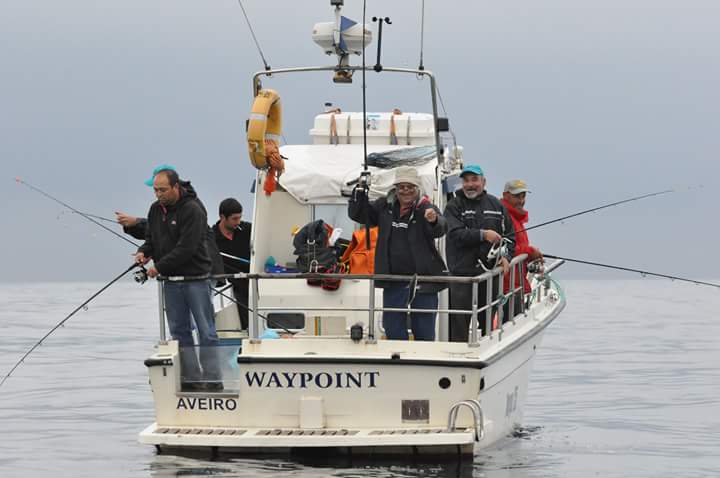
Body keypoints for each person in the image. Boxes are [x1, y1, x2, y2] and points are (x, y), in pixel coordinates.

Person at [134, 167, 223, 392]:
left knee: (206, 331)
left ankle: (213, 380)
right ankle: (192, 379)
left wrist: (157, 268)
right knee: (179, 332)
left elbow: (187, 247)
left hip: (196, 279)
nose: (158, 194)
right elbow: (151, 239)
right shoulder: (155, 209)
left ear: (176, 187)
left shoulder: (192, 209)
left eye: (163, 190)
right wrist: (143, 252)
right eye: (155, 190)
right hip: (171, 282)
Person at [348, 166, 448, 341]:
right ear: (395, 189)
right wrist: (360, 191)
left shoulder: (426, 207)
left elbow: (441, 228)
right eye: (401, 187)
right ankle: (398, 359)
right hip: (393, 280)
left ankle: (422, 362)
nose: (406, 191)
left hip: (423, 282)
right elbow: (359, 214)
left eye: (410, 187)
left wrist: (433, 220)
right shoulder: (384, 206)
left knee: (424, 330)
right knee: (392, 327)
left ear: (417, 188)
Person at [444, 165, 515, 342]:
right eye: (466, 180)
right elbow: (454, 234)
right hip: (462, 276)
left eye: (474, 180)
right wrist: (483, 235)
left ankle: (487, 352)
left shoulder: (496, 205)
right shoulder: (454, 205)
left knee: (488, 323)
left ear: (483, 182)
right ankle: (457, 357)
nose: (470, 184)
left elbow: (510, 236)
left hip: (489, 276)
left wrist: (506, 257)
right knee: (458, 325)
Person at [501, 179, 542, 320]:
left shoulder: (517, 217)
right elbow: (506, 248)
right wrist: (530, 252)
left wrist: (530, 254)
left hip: (516, 283)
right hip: (507, 287)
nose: (521, 200)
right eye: (516, 196)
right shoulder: (504, 216)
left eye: (523, 196)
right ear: (505, 195)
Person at [212, 198, 252, 329]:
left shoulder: (248, 229)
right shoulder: (211, 237)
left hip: (251, 278)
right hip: (231, 283)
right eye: (234, 219)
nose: (238, 222)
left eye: (239, 218)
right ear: (222, 217)